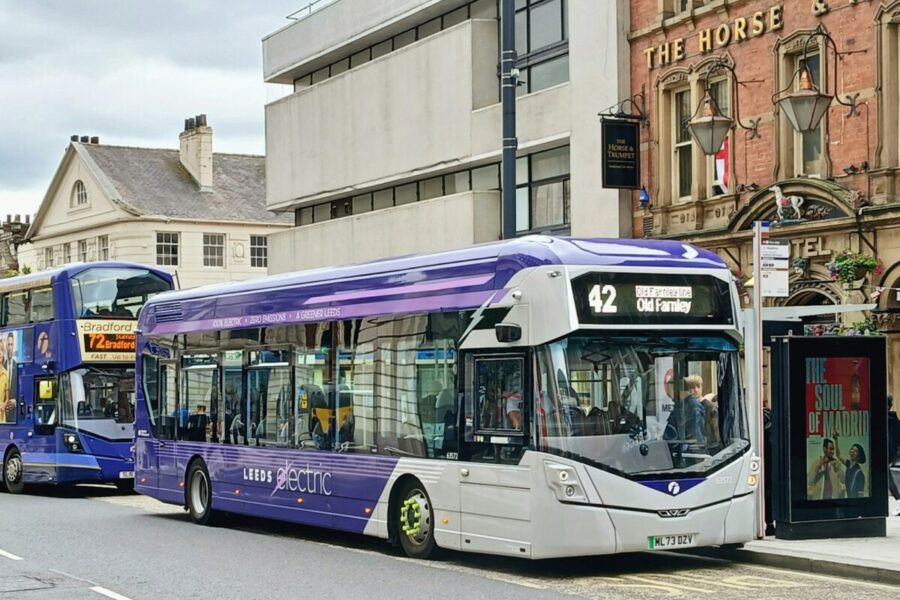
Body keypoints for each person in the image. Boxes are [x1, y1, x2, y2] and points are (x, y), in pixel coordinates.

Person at [664, 375, 706, 446]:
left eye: (669, 392)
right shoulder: (682, 406)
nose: (669, 396)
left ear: (676, 390)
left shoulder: (692, 408)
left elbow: (697, 441)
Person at [833, 431, 867, 499]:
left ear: (859, 456)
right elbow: (838, 455)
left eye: (856, 451)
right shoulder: (848, 464)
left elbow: (861, 495)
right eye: (852, 449)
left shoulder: (859, 474)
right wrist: (836, 439)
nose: (852, 451)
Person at [888, 395, 900, 513]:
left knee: (886, 477)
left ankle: (898, 500)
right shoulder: (896, 421)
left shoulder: (880, 419)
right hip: (891, 454)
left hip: (882, 453)